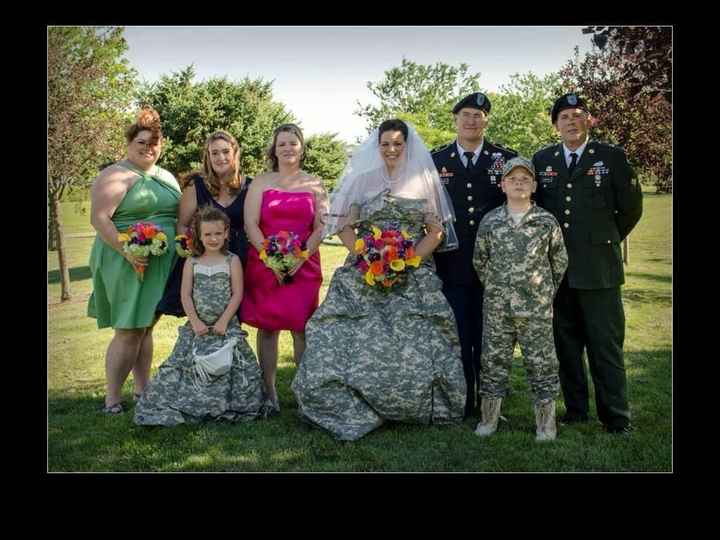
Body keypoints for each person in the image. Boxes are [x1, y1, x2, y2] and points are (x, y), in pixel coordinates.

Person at [291, 119, 466, 441]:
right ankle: (349, 402)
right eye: (386, 143)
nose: (391, 149)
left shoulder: (424, 181)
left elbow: (436, 232)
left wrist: (410, 260)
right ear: (377, 145)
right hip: (364, 271)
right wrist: (365, 255)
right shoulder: (362, 180)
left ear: (407, 146)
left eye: (398, 144)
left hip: (411, 273)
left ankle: (416, 406)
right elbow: (344, 226)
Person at [532, 93, 643, 435]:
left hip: (599, 271)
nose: (571, 121)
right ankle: (576, 410)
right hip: (558, 273)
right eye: (564, 116)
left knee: (605, 348)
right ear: (556, 125)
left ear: (588, 121)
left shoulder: (611, 157)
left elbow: (631, 209)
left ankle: (616, 417)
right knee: (566, 347)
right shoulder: (543, 159)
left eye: (578, 115)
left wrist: (604, 239)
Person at [87, 106, 181, 414]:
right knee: (128, 329)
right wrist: (128, 252)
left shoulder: (165, 176)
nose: (148, 148)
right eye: (142, 142)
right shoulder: (115, 174)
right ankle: (112, 399)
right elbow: (100, 219)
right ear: (129, 143)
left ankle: (143, 390)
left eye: (154, 143)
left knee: (146, 327)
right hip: (125, 259)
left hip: (159, 262)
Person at [135, 206, 264, 425]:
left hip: (225, 325)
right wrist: (195, 322)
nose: (213, 239)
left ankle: (228, 404)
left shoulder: (231, 261)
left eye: (217, 233)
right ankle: (191, 402)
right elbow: (185, 295)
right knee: (188, 365)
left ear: (225, 233)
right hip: (198, 326)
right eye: (207, 234)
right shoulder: (192, 262)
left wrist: (223, 320)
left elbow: (237, 293)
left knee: (232, 365)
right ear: (199, 236)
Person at [431, 92, 518, 418]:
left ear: (486, 121)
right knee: (458, 335)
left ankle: (490, 401)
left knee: (491, 338)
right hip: (451, 265)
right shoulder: (435, 161)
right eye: (466, 114)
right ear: (455, 120)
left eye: (478, 115)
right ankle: (463, 399)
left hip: (495, 266)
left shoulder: (505, 160)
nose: (471, 120)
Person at [472, 157, 568, 441]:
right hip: (497, 309)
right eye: (512, 179)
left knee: (542, 364)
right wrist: (497, 288)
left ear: (535, 185)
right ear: (502, 185)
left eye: (525, 179)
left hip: (535, 310)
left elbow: (559, 261)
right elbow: (480, 260)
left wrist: (543, 293)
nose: (518, 183)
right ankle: (488, 420)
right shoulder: (490, 221)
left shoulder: (545, 221)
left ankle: (546, 424)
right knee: (493, 362)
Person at [241, 123, 326, 416]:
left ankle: (304, 395)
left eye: (293, 143)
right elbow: (250, 223)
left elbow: (322, 226)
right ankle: (269, 393)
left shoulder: (315, 183)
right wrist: (272, 260)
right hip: (266, 263)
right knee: (267, 329)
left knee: (302, 329)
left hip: (304, 263)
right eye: (282, 144)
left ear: (301, 148)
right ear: (274, 150)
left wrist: (299, 258)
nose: (288, 148)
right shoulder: (261, 182)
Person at [156, 130, 253, 318]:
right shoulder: (196, 186)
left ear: (235, 153)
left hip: (239, 260)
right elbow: (182, 226)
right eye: (214, 153)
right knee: (202, 314)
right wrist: (196, 252)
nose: (220, 157)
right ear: (208, 157)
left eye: (225, 151)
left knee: (233, 317)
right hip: (205, 258)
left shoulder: (250, 186)